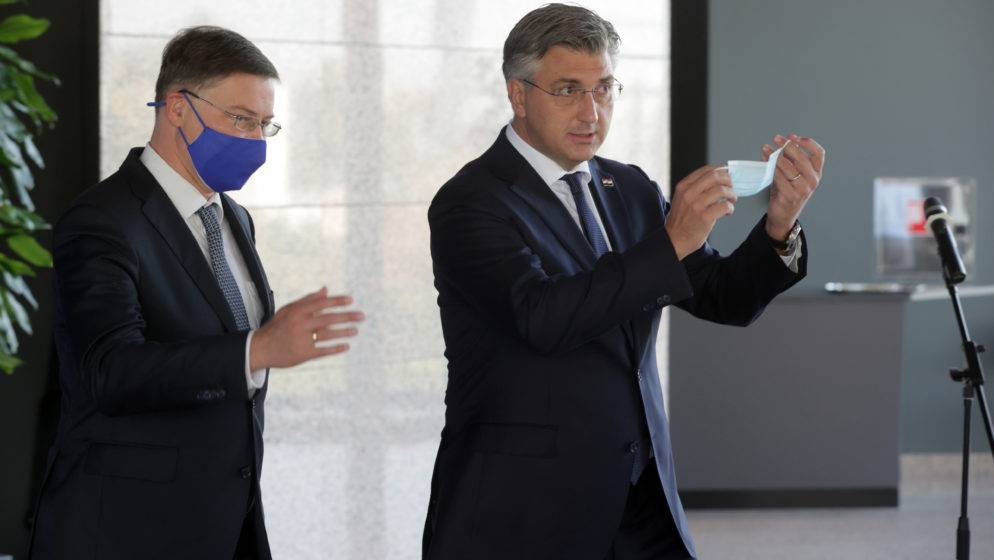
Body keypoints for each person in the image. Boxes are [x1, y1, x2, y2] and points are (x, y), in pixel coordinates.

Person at [421, 4, 825, 559]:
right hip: (523, 510)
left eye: (605, 88)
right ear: (518, 94)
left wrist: (780, 222)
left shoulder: (630, 188)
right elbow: (542, 318)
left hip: (642, 502)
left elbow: (722, 297)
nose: (591, 111)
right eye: (568, 90)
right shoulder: (470, 202)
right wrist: (670, 243)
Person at [29, 26, 364, 560]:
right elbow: (108, 372)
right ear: (178, 108)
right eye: (240, 119)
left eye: (264, 124)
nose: (255, 141)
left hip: (227, 523)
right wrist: (256, 350)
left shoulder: (235, 218)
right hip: (124, 530)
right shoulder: (101, 220)